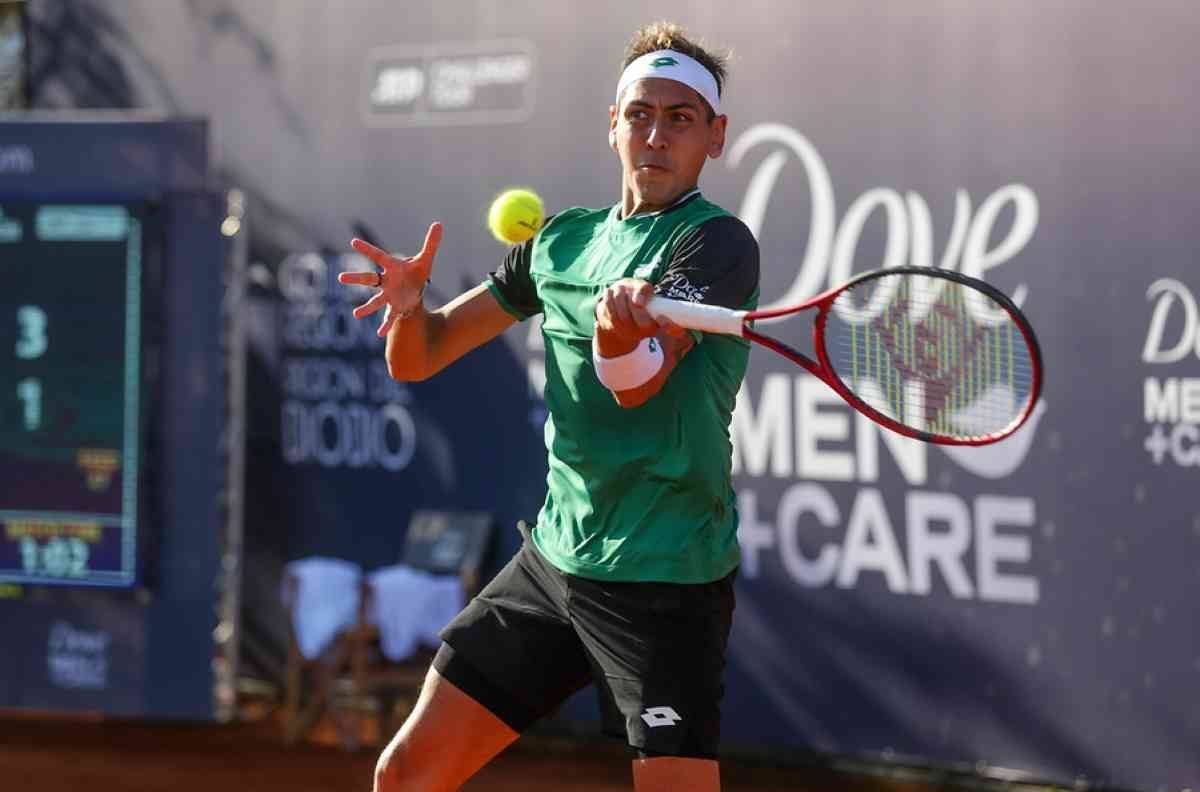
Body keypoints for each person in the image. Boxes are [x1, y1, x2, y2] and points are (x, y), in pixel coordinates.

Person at [339, 21, 760, 792]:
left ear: (715, 138)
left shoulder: (717, 246)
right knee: (404, 775)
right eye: (640, 113)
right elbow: (423, 355)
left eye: (681, 119)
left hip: (665, 579)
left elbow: (637, 383)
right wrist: (406, 307)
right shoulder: (560, 243)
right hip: (554, 563)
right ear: (613, 125)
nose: (656, 135)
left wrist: (617, 329)